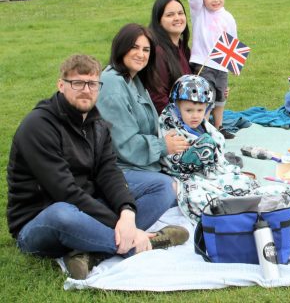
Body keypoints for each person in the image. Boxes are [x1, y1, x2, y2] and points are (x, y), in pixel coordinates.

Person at [6, 55, 188, 281]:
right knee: (62, 214)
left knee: (162, 186)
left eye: (92, 84)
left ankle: (91, 252)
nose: (86, 90)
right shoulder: (38, 126)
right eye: (77, 83)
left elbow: (108, 171)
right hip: (40, 221)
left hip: (87, 204)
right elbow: (65, 192)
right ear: (61, 85)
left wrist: (127, 212)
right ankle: (144, 242)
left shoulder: (96, 122)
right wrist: (121, 225)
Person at [160, 75, 290, 222]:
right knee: (208, 199)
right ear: (177, 107)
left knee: (244, 185)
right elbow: (174, 161)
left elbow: (216, 147)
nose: (195, 115)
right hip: (190, 177)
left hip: (214, 172)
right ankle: (241, 212)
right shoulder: (171, 127)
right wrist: (201, 149)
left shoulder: (203, 126)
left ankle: (259, 204)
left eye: (200, 110)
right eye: (189, 110)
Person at [97, 24, 189, 188]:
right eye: (134, 48)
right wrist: (163, 146)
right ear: (121, 48)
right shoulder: (112, 84)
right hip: (121, 170)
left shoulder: (134, 79)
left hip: (144, 164)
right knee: (178, 190)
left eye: (146, 50)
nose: (141, 54)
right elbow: (125, 144)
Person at [188, 0, 237, 139]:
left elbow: (232, 42)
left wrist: (232, 66)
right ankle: (204, 127)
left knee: (220, 98)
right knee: (205, 97)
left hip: (221, 66)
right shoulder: (199, 11)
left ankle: (219, 126)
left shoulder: (228, 17)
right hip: (203, 63)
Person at [148, 0, 193, 114]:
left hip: (189, 115)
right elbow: (158, 98)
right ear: (159, 21)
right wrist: (179, 120)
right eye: (170, 15)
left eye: (180, 13)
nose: (177, 18)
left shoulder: (182, 46)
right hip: (170, 121)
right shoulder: (158, 52)